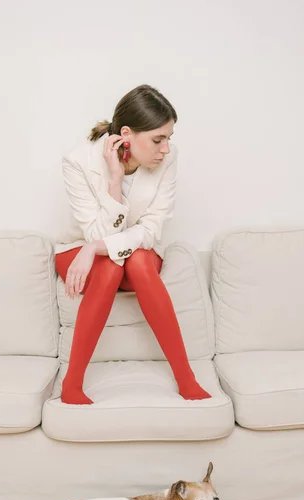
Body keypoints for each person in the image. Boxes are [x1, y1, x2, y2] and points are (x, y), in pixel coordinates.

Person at [55, 84, 211, 405]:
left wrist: (95, 249)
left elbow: (151, 230)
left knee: (137, 260)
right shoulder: (78, 161)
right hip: (76, 248)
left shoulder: (168, 159)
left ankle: (186, 379)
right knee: (112, 266)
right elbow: (93, 231)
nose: (165, 148)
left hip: (122, 252)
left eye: (169, 138)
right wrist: (115, 181)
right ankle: (72, 385)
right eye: (158, 139)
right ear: (126, 134)